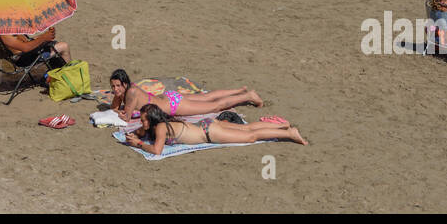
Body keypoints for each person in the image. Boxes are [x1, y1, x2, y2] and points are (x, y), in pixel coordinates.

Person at [124, 103, 308, 153]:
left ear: (153, 120)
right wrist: (134, 135)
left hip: (209, 132)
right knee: (247, 128)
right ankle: (282, 125)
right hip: (207, 124)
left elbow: (157, 150)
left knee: (251, 136)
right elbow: (139, 132)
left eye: (144, 120)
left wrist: (138, 144)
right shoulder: (156, 126)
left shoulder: (161, 128)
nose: (142, 123)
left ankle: (289, 133)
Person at [109, 69, 262, 120]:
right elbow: (114, 107)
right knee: (206, 97)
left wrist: (118, 107)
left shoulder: (131, 93)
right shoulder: (128, 89)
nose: (115, 89)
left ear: (125, 84)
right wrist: (117, 96)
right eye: (113, 86)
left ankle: (248, 96)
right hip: (168, 96)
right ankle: (240, 90)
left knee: (215, 106)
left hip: (173, 105)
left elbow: (125, 117)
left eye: (118, 86)